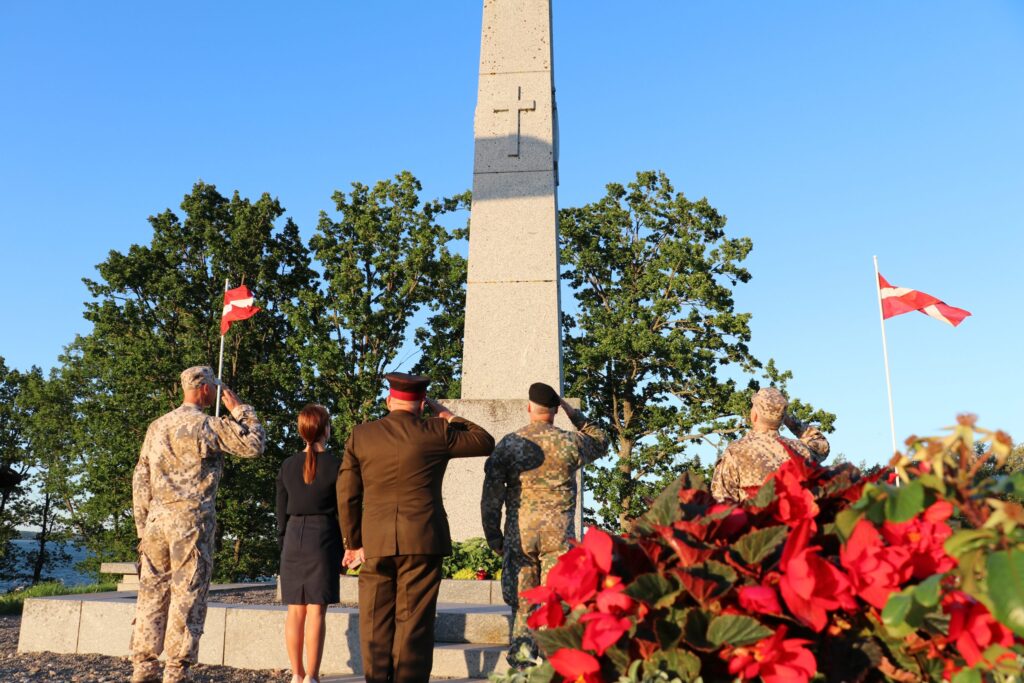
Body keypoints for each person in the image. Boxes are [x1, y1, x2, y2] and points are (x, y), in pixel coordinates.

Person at [337, 372, 495, 683]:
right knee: (414, 627)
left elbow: (347, 493)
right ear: (422, 404)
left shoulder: (362, 435)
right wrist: (447, 415)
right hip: (422, 540)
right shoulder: (437, 431)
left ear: (388, 401)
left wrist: (352, 542)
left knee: (374, 623)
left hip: (376, 542)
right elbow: (485, 440)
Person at [131, 366, 265, 683]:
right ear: (203, 388)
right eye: (214, 388)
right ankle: (176, 671)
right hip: (190, 523)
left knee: (151, 595)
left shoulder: (157, 427)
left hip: (156, 522)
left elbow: (140, 479)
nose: (218, 394)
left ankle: (143, 667)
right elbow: (254, 445)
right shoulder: (205, 425)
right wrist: (242, 412)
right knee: (187, 597)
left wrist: (142, 527)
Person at [481, 382, 608, 667]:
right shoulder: (570, 441)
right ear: (554, 411)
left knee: (524, 606)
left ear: (529, 407)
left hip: (520, 535)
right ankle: (556, 669)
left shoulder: (510, 443)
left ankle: (523, 670)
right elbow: (601, 439)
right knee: (557, 607)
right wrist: (574, 414)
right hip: (559, 536)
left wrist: (494, 537)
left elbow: (491, 495)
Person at [276, 404, 342, 683]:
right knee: (316, 609)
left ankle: (296, 674)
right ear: (326, 429)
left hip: (293, 536)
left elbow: (280, 511)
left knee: (295, 610)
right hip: (323, 537)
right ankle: (312, 677)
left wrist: (283, 543)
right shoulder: (338, 464)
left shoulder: (288, 464)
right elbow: (343, 509)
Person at [710, 386, 830, 502]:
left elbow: (722, 501)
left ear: (754, 415)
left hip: (754, 521)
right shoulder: (801, 450)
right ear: (782, 419)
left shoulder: (736, 451)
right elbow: (821, 444)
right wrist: (789, 421)